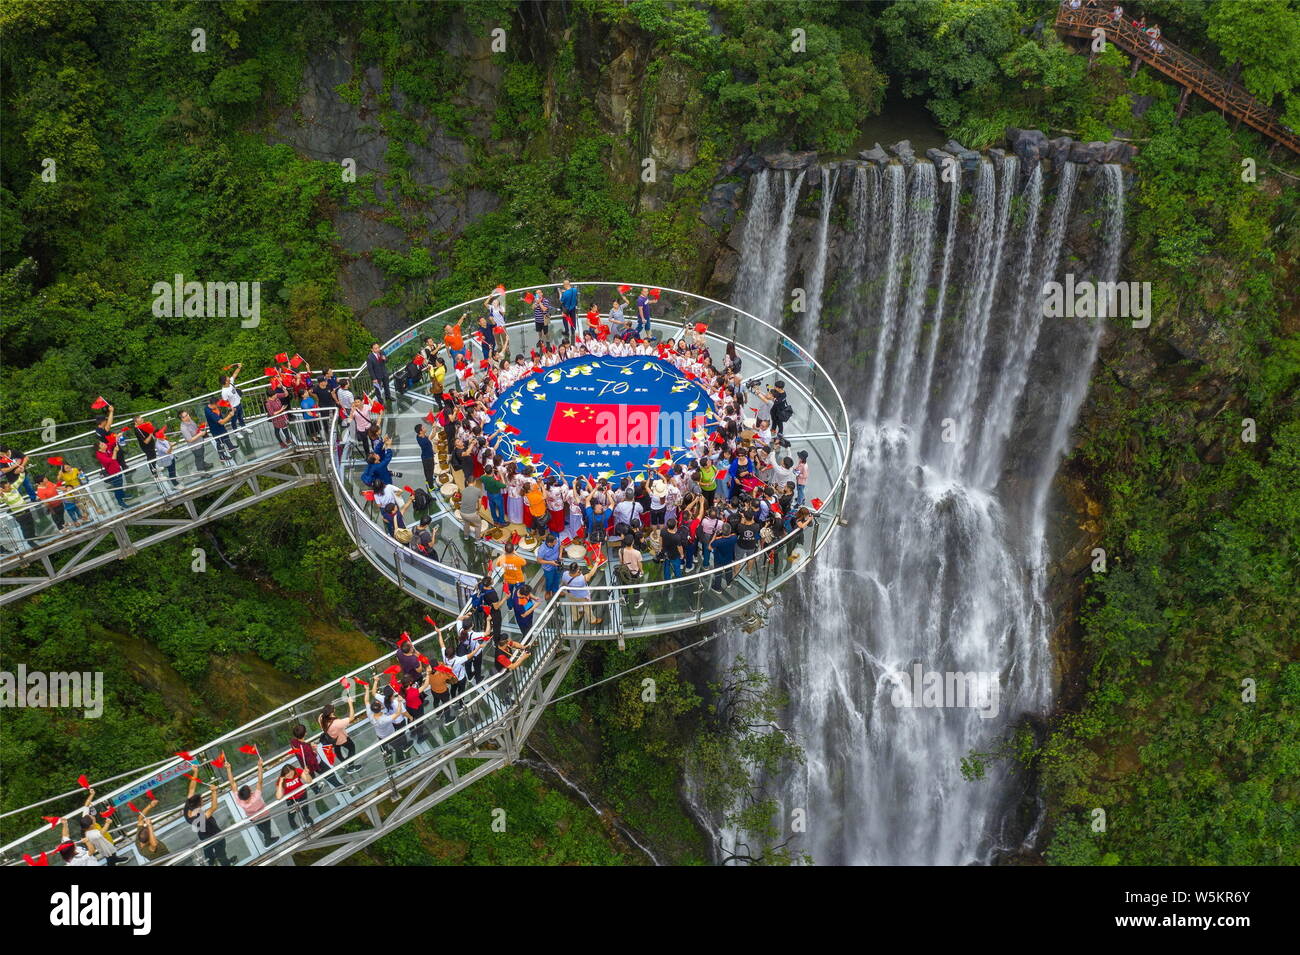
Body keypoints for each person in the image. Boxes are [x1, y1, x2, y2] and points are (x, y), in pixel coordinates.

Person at [225, 755, 279, 847]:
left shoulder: (239, 800)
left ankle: (269, 839)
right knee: (267, 828)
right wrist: (260, 766)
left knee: (264, 829)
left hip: (254, 818)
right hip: (265, 815)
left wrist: (228, 769)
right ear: (250, 794)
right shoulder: (256, 797)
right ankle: (267, 841)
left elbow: (232, 784)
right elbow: (260, 781)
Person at [183, 772, 235, 865]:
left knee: (208, 855)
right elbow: (214, 807)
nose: (203, 800)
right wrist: (213, 792)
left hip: (203, 836)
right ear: (199, 805)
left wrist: (195, 772)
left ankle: (215, 863)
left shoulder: (188, 807)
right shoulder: (201, 817)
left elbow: (191, 788)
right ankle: (225, 863)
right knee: (221, 853)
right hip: (215, 834)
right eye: (202, 800)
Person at [319, 692, 360, 774]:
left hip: (332, 740)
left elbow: (322, 720)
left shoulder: (321, 718)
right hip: (342, 739)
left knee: (337, 750)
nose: (334, 709)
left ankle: (343, 762)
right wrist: (350, 703)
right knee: (352, 748)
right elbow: (351, 717)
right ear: (331, 712)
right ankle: (350, 764)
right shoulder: (336, 723)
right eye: (333, 709)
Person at [561, 560, 604, 626]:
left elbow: (564, 582)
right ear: (577, 570)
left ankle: (576, 617)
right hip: (582, 596)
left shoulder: (565, 574)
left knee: (573, 605)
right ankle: (592, 620)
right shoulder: (581, 579)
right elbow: (591, 574)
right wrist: (596, 563)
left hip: (571, 593)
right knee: (587, 608)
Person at [275, 763, 314, 831]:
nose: (290, 776)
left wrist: (307, 774)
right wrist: (281, 782)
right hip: (291, 798)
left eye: (291, 773)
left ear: (293, 770)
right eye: (287, 775)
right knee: (292, 812)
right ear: (284, 775)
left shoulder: (297, 771)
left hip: (302, 793)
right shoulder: (281, 780)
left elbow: (309, 781)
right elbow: (278, 797)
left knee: (305, 807)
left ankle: (307, 818)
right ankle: (293, 824)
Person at [92, 440, 128, 509]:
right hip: (113, 473)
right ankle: (120, 502)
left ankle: (122, 495)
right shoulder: (100, 456)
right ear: (99, 449)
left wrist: (117, 437)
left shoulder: (106, 448)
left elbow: (112, 442)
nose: (104, 444)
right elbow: (112, 460)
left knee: (120, 484)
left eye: (103, 443)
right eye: (102, 445)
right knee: (117, 488)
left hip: (117, 468)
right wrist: (115, 451)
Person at [203, 396, 238, 462]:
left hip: (220, 427)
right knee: (219, 442)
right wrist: (230, 415)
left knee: (226, 435)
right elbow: (221, 422)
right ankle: (221, 456)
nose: (218, 405)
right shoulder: (210, 412)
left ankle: (230, 447)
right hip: (215, 429)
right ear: (214, 404)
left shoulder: (211, 407)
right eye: (217, 404)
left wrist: (230, 409)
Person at [219, 362, 246, 433]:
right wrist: (231, 409)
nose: (229, 377)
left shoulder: (230, 382)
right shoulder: (224, 392)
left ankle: (243, 427)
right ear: (225, 382)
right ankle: (236, 432)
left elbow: (235, 374)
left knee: (241, 417)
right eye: (227, 378)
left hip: (239, 403)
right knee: (234, 420)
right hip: (233, 407)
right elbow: (225, 402)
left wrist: (239, 367)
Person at [415, 423, 436, 489]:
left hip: (424, 456)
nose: (425, 427)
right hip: (428, 458)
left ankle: (427, 480)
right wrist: (434, 428)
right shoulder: (424, 441)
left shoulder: (418, 436)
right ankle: (431, 487)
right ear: (421, 431)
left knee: (426, 470)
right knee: (430, 472)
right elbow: (433, 436)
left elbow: (427, 437)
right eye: (423, 428)